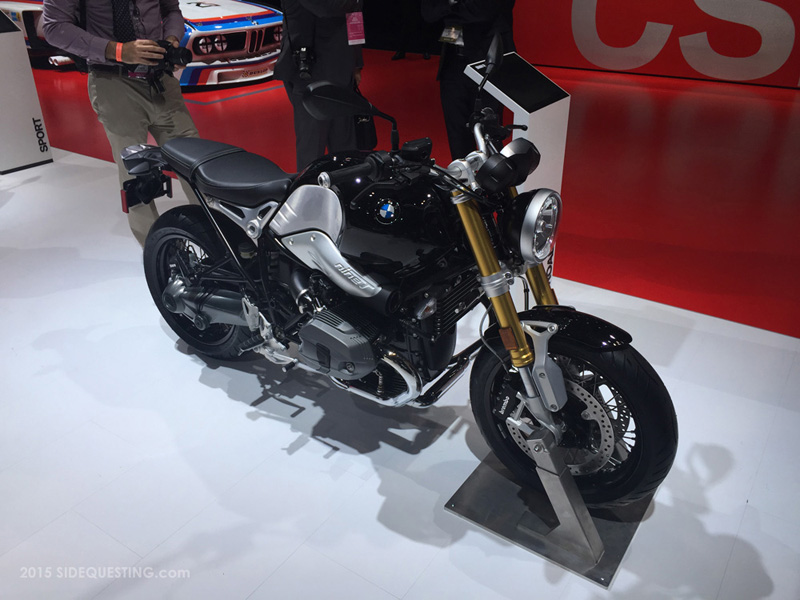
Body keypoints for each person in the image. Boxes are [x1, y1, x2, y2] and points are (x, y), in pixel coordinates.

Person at [42, 0, 199, 247]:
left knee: (195, 164)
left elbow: (170, 9)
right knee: (136, 176)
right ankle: (159, 254)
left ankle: (220, 241)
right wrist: (117, 51)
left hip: (161, 80)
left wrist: (171, 40)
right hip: (113, 82)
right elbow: (54, 27)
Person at [274, 0, 364, 172]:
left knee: (345, 147)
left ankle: (345, 186)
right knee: (312, 149)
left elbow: (356, 17)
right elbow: (327, 8)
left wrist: (357, 63)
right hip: (307, 73)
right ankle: (310, 188)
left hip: (341, 69)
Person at [423, 0, 515, 161]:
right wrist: (454, 6)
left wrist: (449, 9)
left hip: (488, 60)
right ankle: (464, 175)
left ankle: (494, 175)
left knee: (489, 133)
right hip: (453, 59)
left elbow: (484, 12)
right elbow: (428, 12)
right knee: (457, 133)